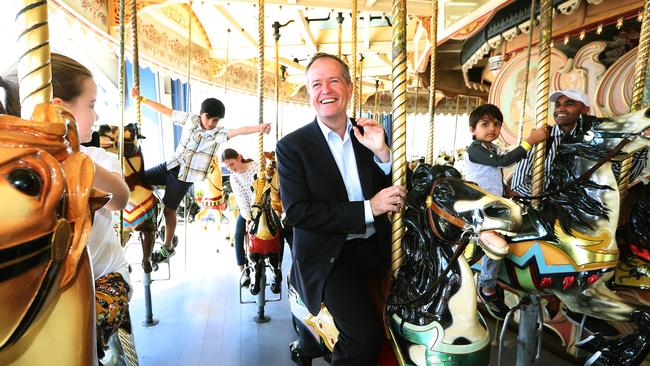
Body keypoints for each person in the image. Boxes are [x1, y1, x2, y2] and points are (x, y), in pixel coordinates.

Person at [277, 53, 407, 365]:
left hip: (378, 246)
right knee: (363, 336)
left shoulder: (370, 134)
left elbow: (401, 192)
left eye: (334, 81)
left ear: (349, 88)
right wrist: (368, 208)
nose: (326, 90)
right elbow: (298, 212)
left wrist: (384, 154)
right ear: (309, 94)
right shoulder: (292, 147)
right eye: (316, 84)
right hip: (330, 256)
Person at [1, 53, 132, 356]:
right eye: (92, 105)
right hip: (34, 291)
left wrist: (74, 158)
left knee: (72, 337)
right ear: (61, 109)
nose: (96, 117)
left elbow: (121, 199)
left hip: (104, 279)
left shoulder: (98, 158)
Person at [132, 88, 271, 262]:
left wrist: (259, 128)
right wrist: (142, 98)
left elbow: (238, 130)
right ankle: (146, 217)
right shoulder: (190, 119)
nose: (212, 123)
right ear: (201, 114)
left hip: (185, 178)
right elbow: (167, 111)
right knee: (137, 179)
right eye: (209, 119)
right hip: (171, 166)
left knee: (170, 210)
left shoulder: (217, 134)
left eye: (216, 120)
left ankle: (168, 246)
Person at [463, 103, 548, 320]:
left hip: (494, 202)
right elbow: (504, 161)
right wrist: (530, 141)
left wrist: (507, 190)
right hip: (480, 205)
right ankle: (487, 285)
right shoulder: (475, 149)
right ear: (473, 130)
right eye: (485, 124)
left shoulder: (491, 148)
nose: (492, 128)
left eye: (496, 124)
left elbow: (494, 173)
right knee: (498, 238)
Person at [510, 89, 648, 197]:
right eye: (557, 105)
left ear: (585, 109)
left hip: (587, 209)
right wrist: (550, 201)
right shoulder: (541, 139)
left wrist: (640, 147)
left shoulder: (597, 138)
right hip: (545, 209)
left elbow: (621, 177)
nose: (560, 109)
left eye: (569, 103)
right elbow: (519, 184)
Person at [221, 148, 257, 286]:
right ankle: (242, 271)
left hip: (262, 206)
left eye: (232, 164)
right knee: (238, 235)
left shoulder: (256, 167)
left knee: (279, 228)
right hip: (246, 209)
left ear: (239, 157)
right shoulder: (234, 177)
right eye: (227, 167)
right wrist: (248, 218)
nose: (231, 168)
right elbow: (241, 199)